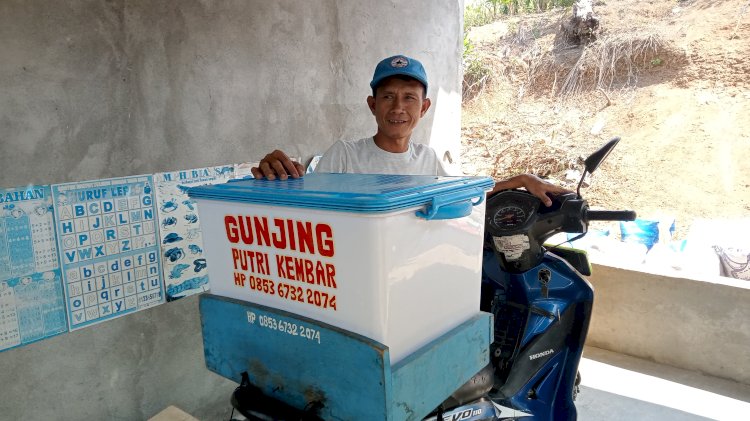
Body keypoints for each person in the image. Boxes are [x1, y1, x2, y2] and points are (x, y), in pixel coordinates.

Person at [251, 54, 567, 206]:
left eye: (409, 98)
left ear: (424, 108)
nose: (398, 108)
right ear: (372, 105)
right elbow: (304, 205)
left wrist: (521, 180)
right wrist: (275, 175)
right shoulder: (345, 155)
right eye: (387, 97)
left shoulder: (429, 161)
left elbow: (465, 196)